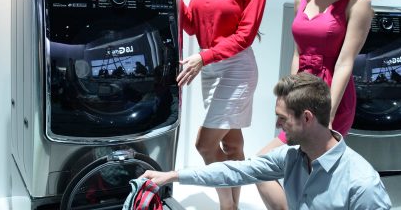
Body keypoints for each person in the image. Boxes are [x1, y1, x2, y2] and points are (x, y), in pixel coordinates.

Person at [140, 72, 392, 209]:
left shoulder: (361, 184)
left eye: (282, 118)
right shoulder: (291, 157)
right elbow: (234, 170)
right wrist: (172, 176)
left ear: (307, 118)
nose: (277, 125)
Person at [256, 0, 374, 208]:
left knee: (313, 176)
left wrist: (327, 114)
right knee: (272, 169)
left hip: (331, 96)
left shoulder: (358, 2)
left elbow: (345, 62)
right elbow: (298, 54)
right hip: (300, 94)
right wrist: (286, 101)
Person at [174, 0, 268, 209]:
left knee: (204, 145)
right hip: (211, 66)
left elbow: (245, 36)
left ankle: (227, 205)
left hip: (236, 67)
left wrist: (203, 57)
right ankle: (234, 205)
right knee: (233, 145)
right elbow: (192, 25)